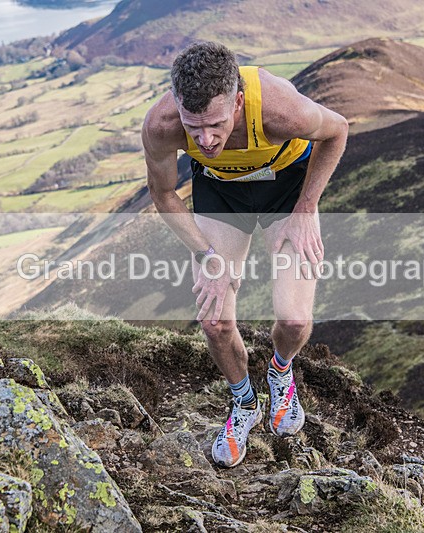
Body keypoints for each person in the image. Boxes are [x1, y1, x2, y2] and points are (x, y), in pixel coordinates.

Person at [142, 41, 348, 468]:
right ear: (177, 105)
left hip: (286, 185)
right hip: (221, 191)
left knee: (293, 319)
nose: (205, 138)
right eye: (193, 126)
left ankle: (280, 371)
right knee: (214, 319)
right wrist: (207, 256)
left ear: (237, 101)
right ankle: (244, 402)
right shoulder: (161, 124)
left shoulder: (278, 108)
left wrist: (306, 208)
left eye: (216, 123)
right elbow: (163, 193)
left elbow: (338, 130)